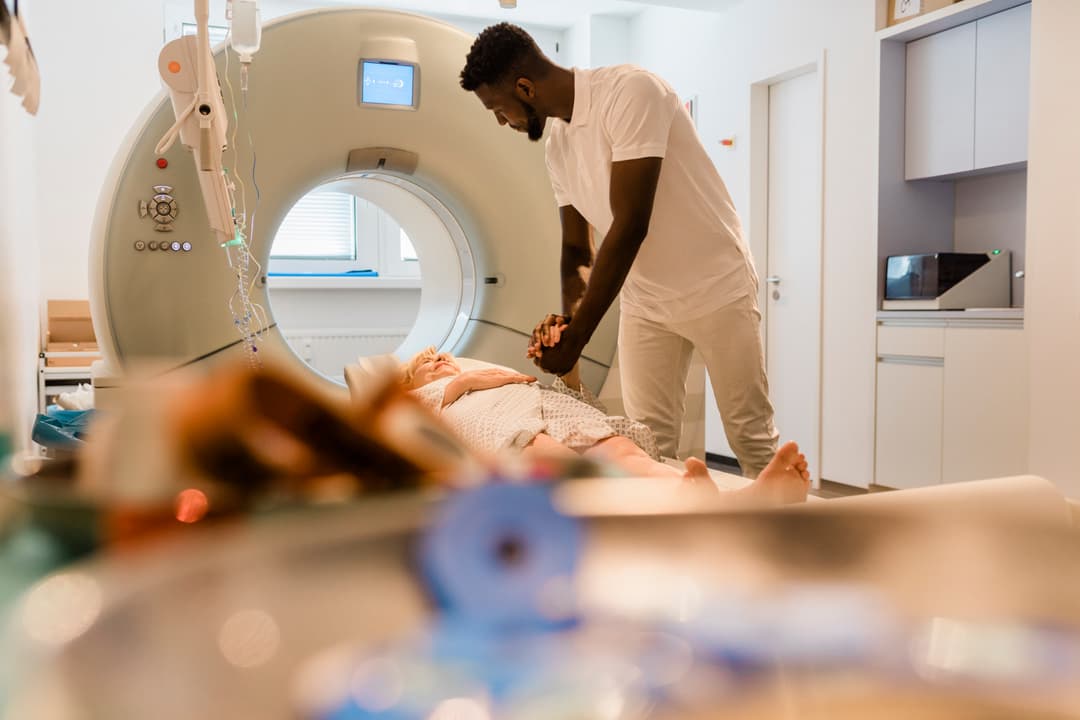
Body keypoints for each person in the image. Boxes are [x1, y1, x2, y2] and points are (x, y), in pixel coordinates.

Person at [460, 23, 780, 478]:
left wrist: (580, 340)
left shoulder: (632, 92)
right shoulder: (558, 144)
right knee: (648, 440)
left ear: (525, 87)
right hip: (647, 302)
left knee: (749, 433)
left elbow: (630, 225)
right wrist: (567, 324)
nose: (500, 121)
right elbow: (577, 249)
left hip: (716, 288)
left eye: (497, 108)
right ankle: (669, 540)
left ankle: (788, 537)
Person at [401, 347, 809, 506]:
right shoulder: (420, 400)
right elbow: (420, 428)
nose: (439, 362)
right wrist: (464, 381)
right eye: (426, 364)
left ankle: (727, 497)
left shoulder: (498, 372)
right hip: (495, 421)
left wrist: (567, 379)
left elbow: (570, 397)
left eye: (445, 360)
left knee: (622, 452)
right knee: (575, 472)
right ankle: (675, 506)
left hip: (547, 405)